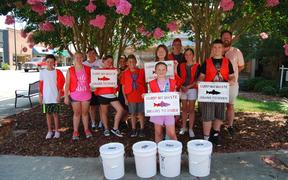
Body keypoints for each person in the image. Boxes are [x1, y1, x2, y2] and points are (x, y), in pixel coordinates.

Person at [198, 39, 235, 146]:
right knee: (207, 115)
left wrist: (231, 81)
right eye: (215, 47)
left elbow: (232, 77)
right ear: (212, 49)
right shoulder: (207, 62)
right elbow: (201, 76)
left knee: (219, 114)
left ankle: (215, 135)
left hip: (222, 93)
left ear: (223, 49)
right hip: (208, 93)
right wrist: (199, 81)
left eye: (219, 47)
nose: (217, 49)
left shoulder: (227, 62)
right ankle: (206, 139)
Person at [221, 30, 245, 137]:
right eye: (224, 37)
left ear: (231, 39)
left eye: (228, 37)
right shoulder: (216, 49)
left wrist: (235, 73)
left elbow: (241, 65)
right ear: (221, 38)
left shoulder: (236, 51)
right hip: (219, 84)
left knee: (230, 105)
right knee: (219, 105)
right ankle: (218, 126)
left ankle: (230, 126)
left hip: (232, 84)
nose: (226, 38)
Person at [64, 52, 92, 141]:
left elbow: (93, 81)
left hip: (86, 94)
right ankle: (75, 131)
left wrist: (94, 87)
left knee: (85, 113)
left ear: (83, 58)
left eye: (80, 57)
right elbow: (67, 84)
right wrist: (65, 96)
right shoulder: (70, 70)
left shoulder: (88, 69)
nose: (78, 59)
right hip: (75, 95)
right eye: (77, 57)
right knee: (77, 114)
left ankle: (86, 130)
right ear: (74, 59)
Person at [94, 55, 124, 137]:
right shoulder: (98, 71)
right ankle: (106, 129)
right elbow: (94, 84)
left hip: (112, 94)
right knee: (104, 113)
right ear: (103, 61)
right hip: (102, 95)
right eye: (108, 61)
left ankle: (115, 128)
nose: (109, 63)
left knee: (120, 110)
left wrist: (118, 73)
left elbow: (119, 75)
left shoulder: (113, 70)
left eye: (111, 62)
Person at [149, 62, 177, 143]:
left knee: (171, 133)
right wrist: (146, 96)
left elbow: (175, 95)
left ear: (166, 70)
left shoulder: (172, 82)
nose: (161, 71)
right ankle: (159, 152)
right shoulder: (151, 83)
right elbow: (150, 96)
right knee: (158, 133)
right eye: (159, 69)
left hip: (169, 111)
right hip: (157, 111)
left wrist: (177, 94)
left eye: (163, 69)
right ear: (155, 71)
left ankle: (176, 152)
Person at [39, 54, 65, 139]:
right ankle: (49, 131)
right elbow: (41, 85)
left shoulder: (57, 72)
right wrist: (41, 96)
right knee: (48, 115)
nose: (50, 63)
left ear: (54, 62)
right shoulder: (42, 72)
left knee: (56, 115)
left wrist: (59, 95)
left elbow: (61, 85)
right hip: (46, 98)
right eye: (48, 62)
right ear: (45, 62)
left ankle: (57, 131)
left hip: (55, 97)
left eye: (51, 62)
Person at [121, 54, 146, 137]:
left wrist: (145, 94)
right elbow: (123, 87)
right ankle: (134, 129)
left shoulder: (141, 71)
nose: (131, 63)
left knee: (141, 113)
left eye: (133, 61)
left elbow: (145, 84)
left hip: (140, 96)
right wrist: (125, 98)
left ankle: (142, 129)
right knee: (132, 114)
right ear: (127, 63)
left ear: (136, 62)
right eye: (130, 62)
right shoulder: (125, 73)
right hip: (130, 96)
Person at [178, 48, 200, 138]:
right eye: (186, 54)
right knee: (184, 109)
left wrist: (189, 86)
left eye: (190, 54)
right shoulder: (181, 65)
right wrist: (181, 86)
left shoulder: (197, 66)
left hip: (192, 89)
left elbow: (198, 79)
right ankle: (184, 127)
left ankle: (190, 128)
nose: (188, 56)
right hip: (182, 88)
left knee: (191, 109)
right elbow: (178, 77)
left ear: (193, 55)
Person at [83, 48, 102, 131]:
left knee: (101, 106)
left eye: (93, 53)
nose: (91, 55)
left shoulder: (100, 62)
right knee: (92, 107)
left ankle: (102, 122)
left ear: (96, 54)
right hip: (89, 89)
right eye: (89, 53)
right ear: (87, 54)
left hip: (100, 87)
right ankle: (93, 122)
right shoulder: (84, 64)